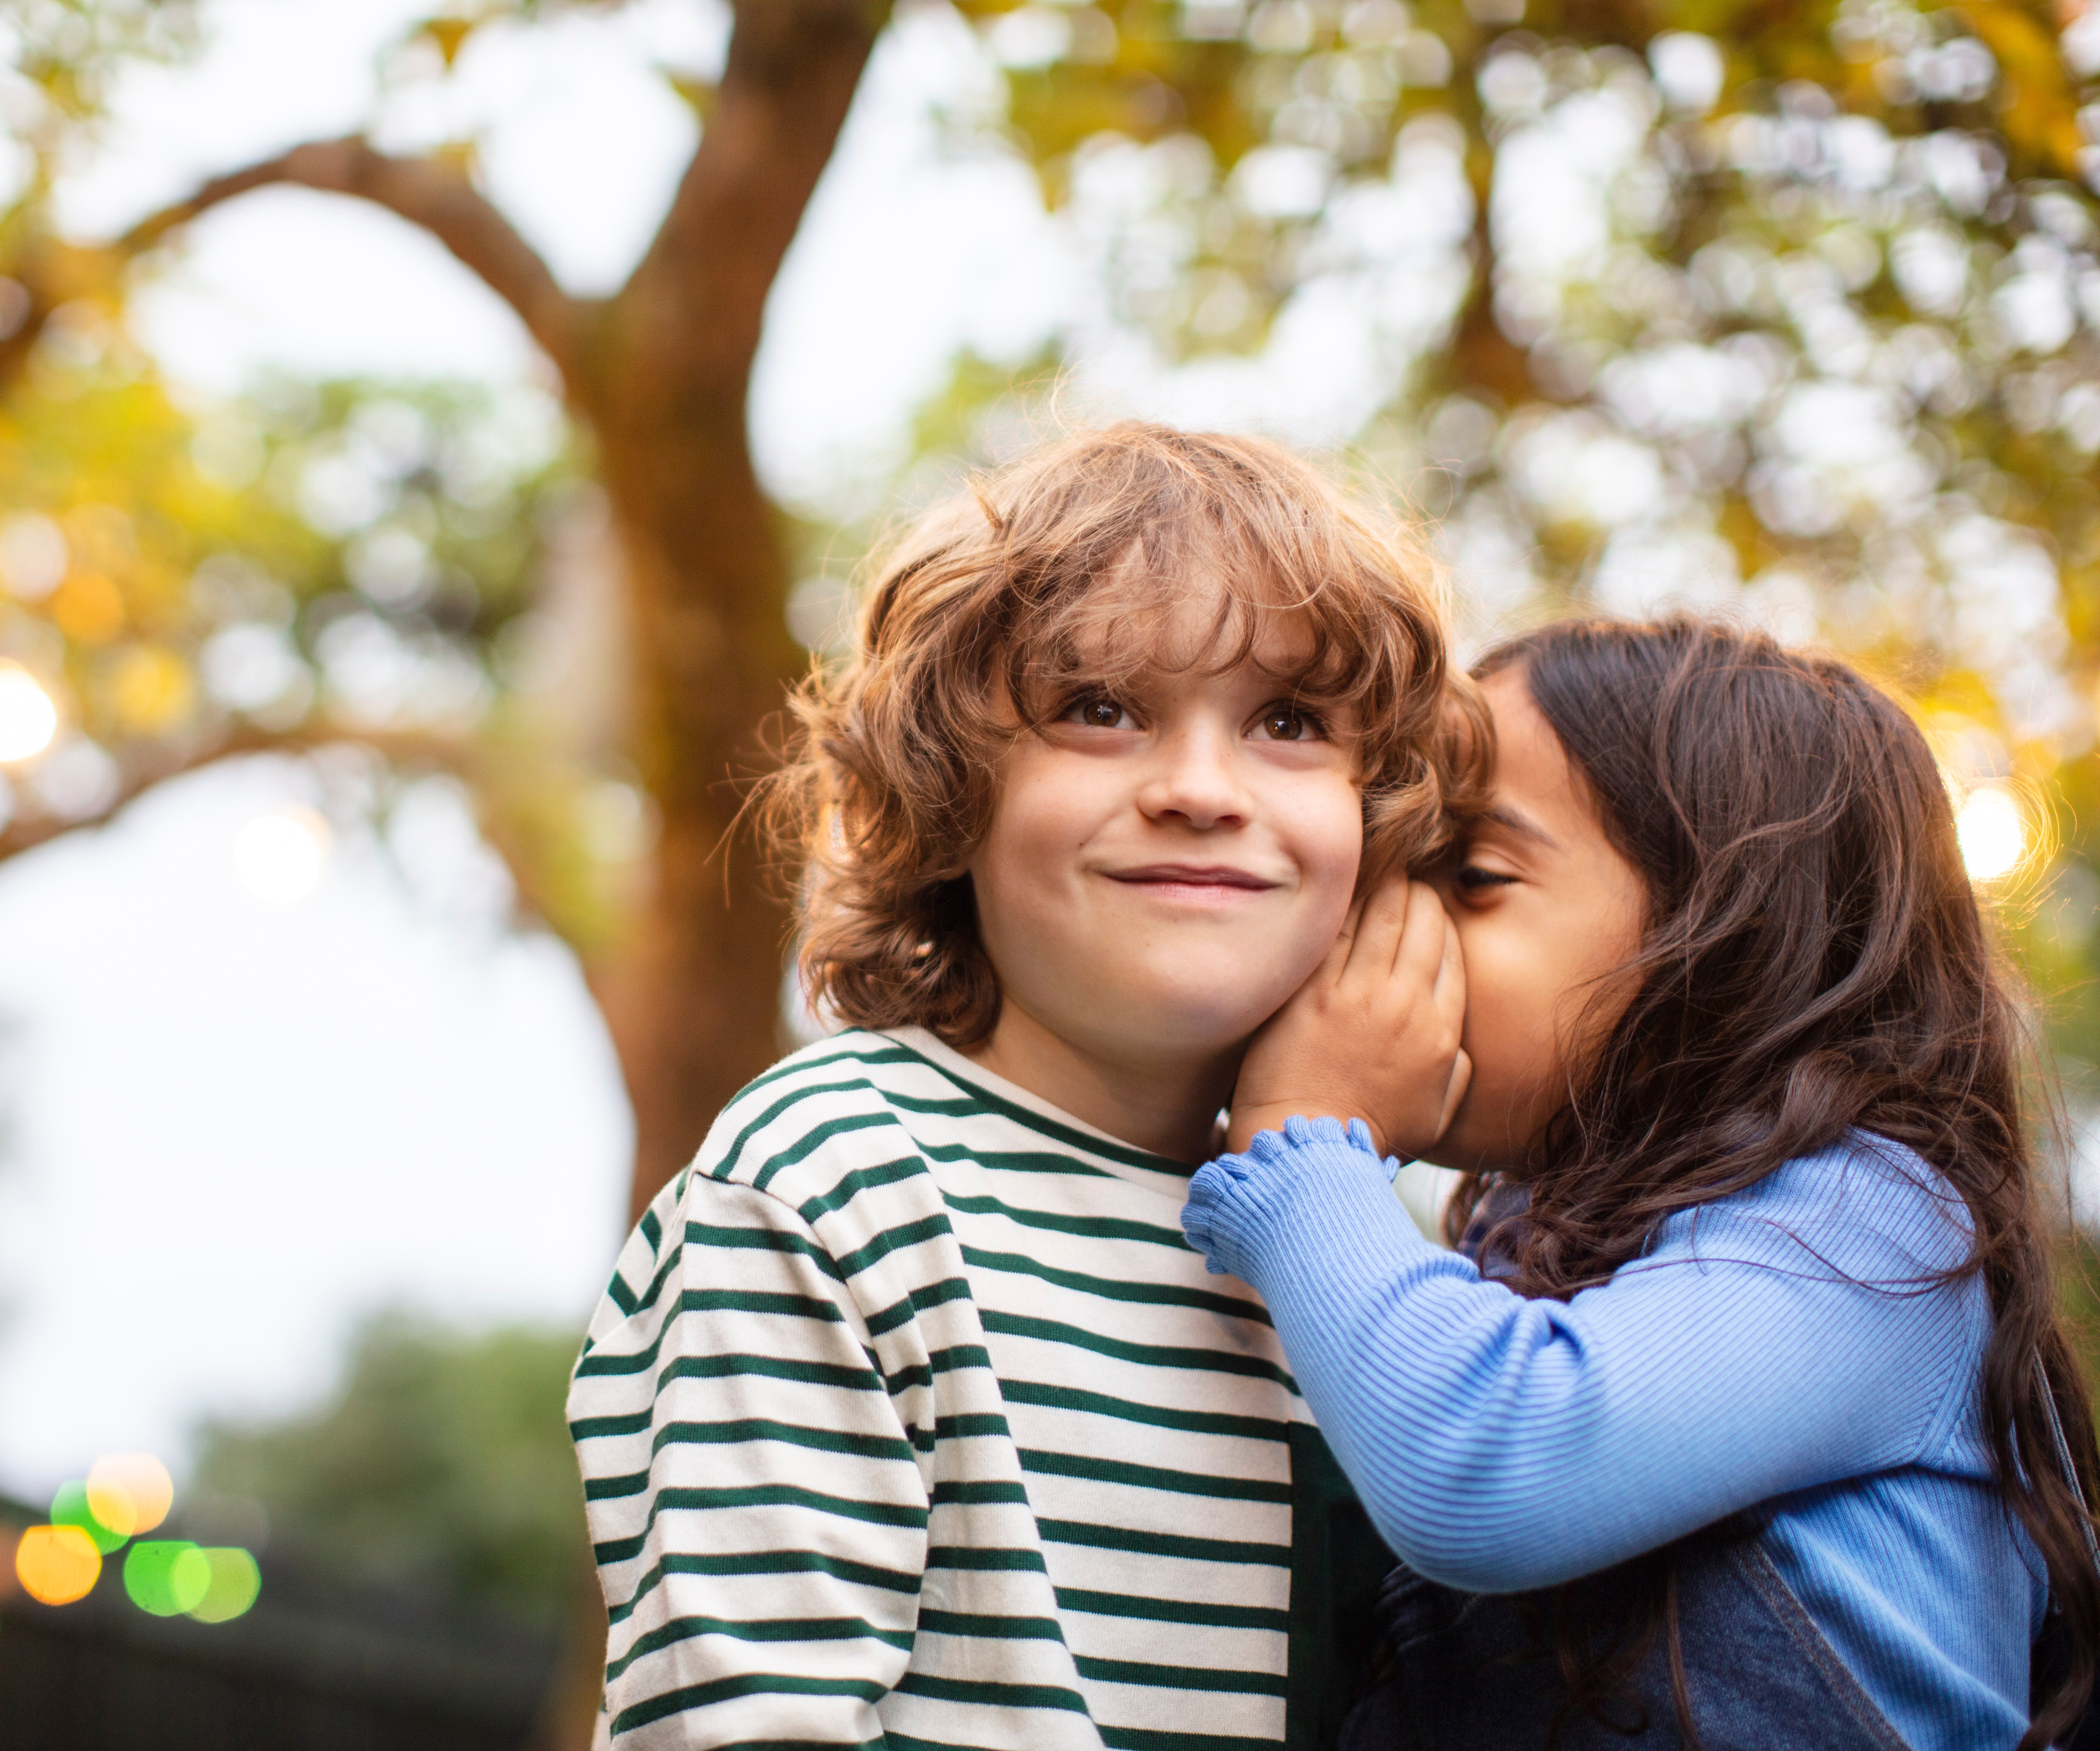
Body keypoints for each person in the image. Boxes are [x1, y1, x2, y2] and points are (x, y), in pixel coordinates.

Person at [566, 422, 1482, 1749]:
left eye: (1290, 720)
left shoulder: (1337, 1258)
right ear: (951, 787)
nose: (1201, 788)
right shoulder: (834, 1177)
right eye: (1100, 708)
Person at [1183, 617, 2100, 1749]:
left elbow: (1488, 1466)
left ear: (1727, 939)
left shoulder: (1879, 1228)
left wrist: (1301, 1135)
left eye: (1469, 875)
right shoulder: (1493, 1262)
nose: (1386, 925)